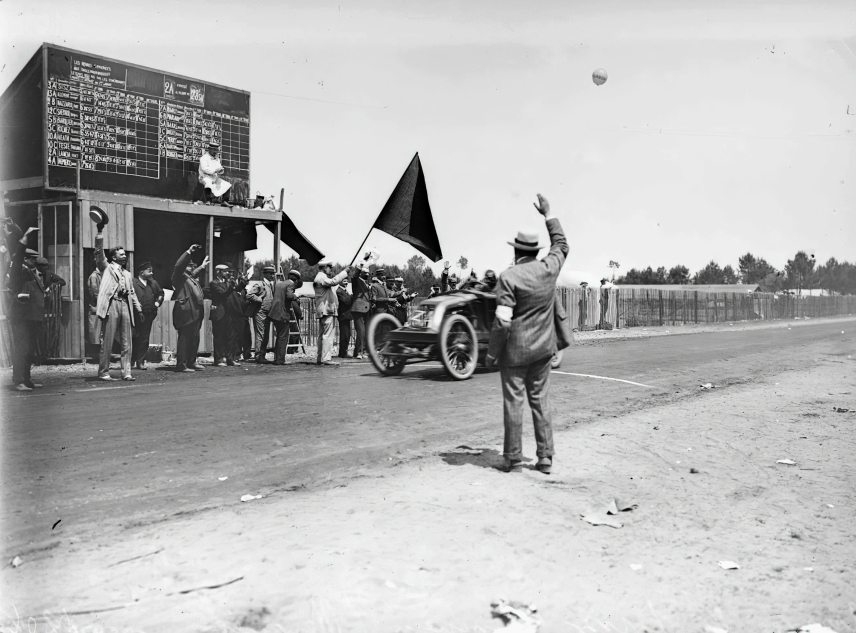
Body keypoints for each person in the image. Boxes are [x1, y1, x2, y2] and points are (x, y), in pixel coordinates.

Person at [486, 193, 568, 475]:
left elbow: (503, 322)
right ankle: (545, 458)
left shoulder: (508, 278)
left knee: (514, 403)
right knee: (540, 401)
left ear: (516, 251)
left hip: (515, 353)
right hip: (544, 350)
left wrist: (492, 353)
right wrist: (548, 213)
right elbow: (562, 245)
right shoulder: (549, 268)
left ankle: (512, 458)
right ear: (535, 251)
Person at [95, 235, 144, 381]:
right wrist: (99, 237)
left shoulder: (128, 274)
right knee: (108, 340)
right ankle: (103, 372)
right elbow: (99, 255)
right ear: (114, 257)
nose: (124, 257)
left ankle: (126, 372)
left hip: (125, 305)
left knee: (126, 341)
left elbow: (132, 293)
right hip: (112, 304)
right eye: (121, 254)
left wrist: (139, 309)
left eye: (125, 254)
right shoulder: (107, 267)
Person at [3, 221, 44, 391]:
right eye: (33, 259)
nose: (36, 262)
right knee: (21, 348)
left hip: (31, 316)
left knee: (29, 349)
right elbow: (17, 257)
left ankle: (26, 379)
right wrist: (23, 238)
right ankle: (18, 380)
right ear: (25, 258)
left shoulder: (32, 273)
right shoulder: (18, 270)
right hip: (21, 316)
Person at [171, 244, 208, 373]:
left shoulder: (189, 277)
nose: (191, 267)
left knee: (194, 338)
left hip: (196, 312)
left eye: (192, 266)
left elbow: (193, 273)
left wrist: (202, 267)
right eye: (189, 265)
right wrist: (188, 252)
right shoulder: (179, 277)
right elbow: (178, 266)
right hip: (185, 312)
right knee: (185, 338)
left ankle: (191, 362)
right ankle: (181, 364)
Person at [313, 258, 349, 365]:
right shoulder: (321, 278)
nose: (331, 270)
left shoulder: (322, 278)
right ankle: (326, 359)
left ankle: (321, 358)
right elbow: (334, 281)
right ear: (324, 267)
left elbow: (334, 282)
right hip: (326, 311)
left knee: (322, 335)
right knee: (327, 336)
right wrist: (344, 272)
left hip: (325, 310)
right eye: (329, 267)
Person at [208, 264, 245, 367]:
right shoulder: (214, 283)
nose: (227, 273)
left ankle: (230, 359)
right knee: (219, 337)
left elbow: (236, 289)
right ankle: (218, 360)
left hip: (228, 313)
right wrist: (231, 286)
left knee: (230, 336)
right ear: (218, 272)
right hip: (219, 313)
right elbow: (222, 294)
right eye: (225, 271)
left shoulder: (226, 283)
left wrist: (243, 282)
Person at [131, 261, 164, 369]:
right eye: (149, 271)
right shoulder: (133, 282)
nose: (151, 273)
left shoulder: (153, 283)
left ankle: (140, 361)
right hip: (135, 315)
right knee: (134, 337)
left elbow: (160, 293)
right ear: (141, 272)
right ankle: (131, 360)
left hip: (149, 315)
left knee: (144, 338)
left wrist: (158, 303)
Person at [268, 269, 300, 365]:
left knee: (279, 336)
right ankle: (280, 360)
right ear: (296, 280)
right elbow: (289, 296)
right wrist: (296, 296)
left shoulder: (279, 284)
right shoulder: (290, 284)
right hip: (282, 314)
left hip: (274, 313)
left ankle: (277, 358)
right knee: (283, 337)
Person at [251, 265, 275, 363]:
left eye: (273, 273)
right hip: (260, 312)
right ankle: (258, 356)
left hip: (268, 313)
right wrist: (258, 299)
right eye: (270, 273)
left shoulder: (270, 285)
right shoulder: (260, 284)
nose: (272, 275)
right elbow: (249, 294)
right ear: (265, 274)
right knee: (261, 335)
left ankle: (262, 355)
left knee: (265, 335)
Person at [198, 141, 231, 206]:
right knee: (208, 183)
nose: (215, 152)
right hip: (204, 177)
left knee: (227, 185)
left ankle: (224, 201)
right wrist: (215, 171)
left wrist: (221, 170)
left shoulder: (217, 159)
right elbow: (204, 169)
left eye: (216, 150)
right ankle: (208, 200)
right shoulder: (204, 158)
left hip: (214, 178)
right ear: (209, 149)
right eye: (213, 150)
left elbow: (219, 168)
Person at [350, 263, 372, 359]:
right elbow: (354, 277)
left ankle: (361, 351)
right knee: (361, 331)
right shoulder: (357, 280)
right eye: (364, 273)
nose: (367, 275)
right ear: (361, 273)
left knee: (365, 331)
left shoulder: (366, 283)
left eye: (368, 273)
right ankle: (358, 352)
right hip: (358, 309)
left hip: (366, 309)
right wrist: (359, 268)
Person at [336, 277, 353, 358]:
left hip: (346, 316)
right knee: (344, 335)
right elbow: (346, 301)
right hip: (343, 316)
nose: (346, 283)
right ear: (340, 282)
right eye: (344, 281)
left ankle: (344, 351)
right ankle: (342, 353)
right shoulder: (339, 291)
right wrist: (352, 296)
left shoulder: (344, 291)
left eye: (347, 281)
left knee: (347, 334)